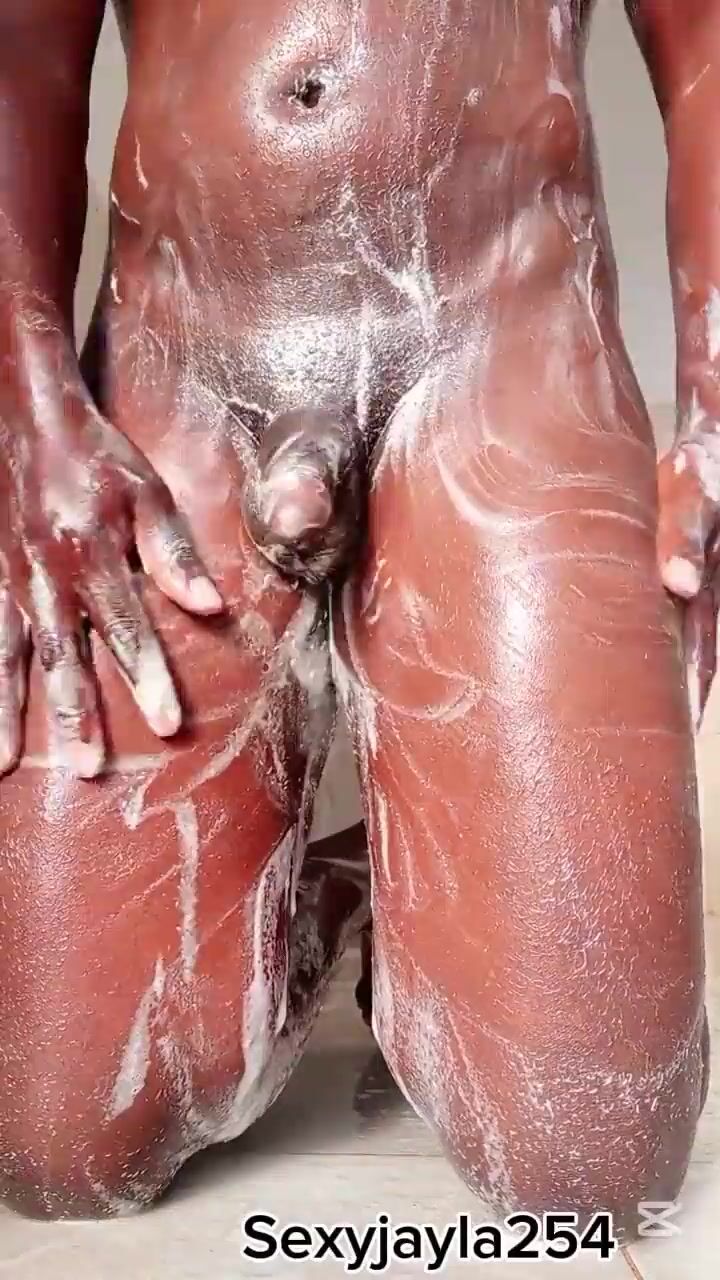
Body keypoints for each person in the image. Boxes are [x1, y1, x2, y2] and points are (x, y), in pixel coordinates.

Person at [0, 0, 713, 1235]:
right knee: (61, 1145)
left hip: (500, 344)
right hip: (178, 362)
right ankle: (332, 892)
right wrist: (22, 393)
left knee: (587, 1159)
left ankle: (423, 893)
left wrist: (714, 389)